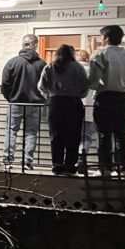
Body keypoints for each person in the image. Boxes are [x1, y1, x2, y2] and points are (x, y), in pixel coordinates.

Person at [87, 25, 125, 176]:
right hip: (123, 97)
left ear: (106, 38)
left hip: (105, 97)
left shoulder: (101, 54)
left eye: (102, 37)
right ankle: (123, 167)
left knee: (104, 133)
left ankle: (105, 168)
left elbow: (94, 81)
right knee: (121, 134)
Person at [37, 44, 88, 175]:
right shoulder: (78, 68)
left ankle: (57, 165)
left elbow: (41, 86)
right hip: (73, 103)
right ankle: (70, 166)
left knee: (56, 135)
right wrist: (79, 95)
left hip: (55, 103)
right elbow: (84, 89)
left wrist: (49, 95)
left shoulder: (49, 67)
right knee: (73, 135)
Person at [0, 34, 46, 169]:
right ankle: (27, 162)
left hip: (16, 103)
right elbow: (47, 85)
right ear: (35, 45)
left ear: (23, 45)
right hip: (35, 104)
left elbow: (4, 84)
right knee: (31, 132)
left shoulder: (12, 62)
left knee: (11, 131)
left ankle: (8, 161)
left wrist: (11, 97)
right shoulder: (42, 64)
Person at [76, 48, 97, 172]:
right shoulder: (93, 72)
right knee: (87, 137)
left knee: (73, 135)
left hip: (74, 107)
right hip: (90, 108)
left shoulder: (73, 71)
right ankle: (81, 157)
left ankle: (70, 161)